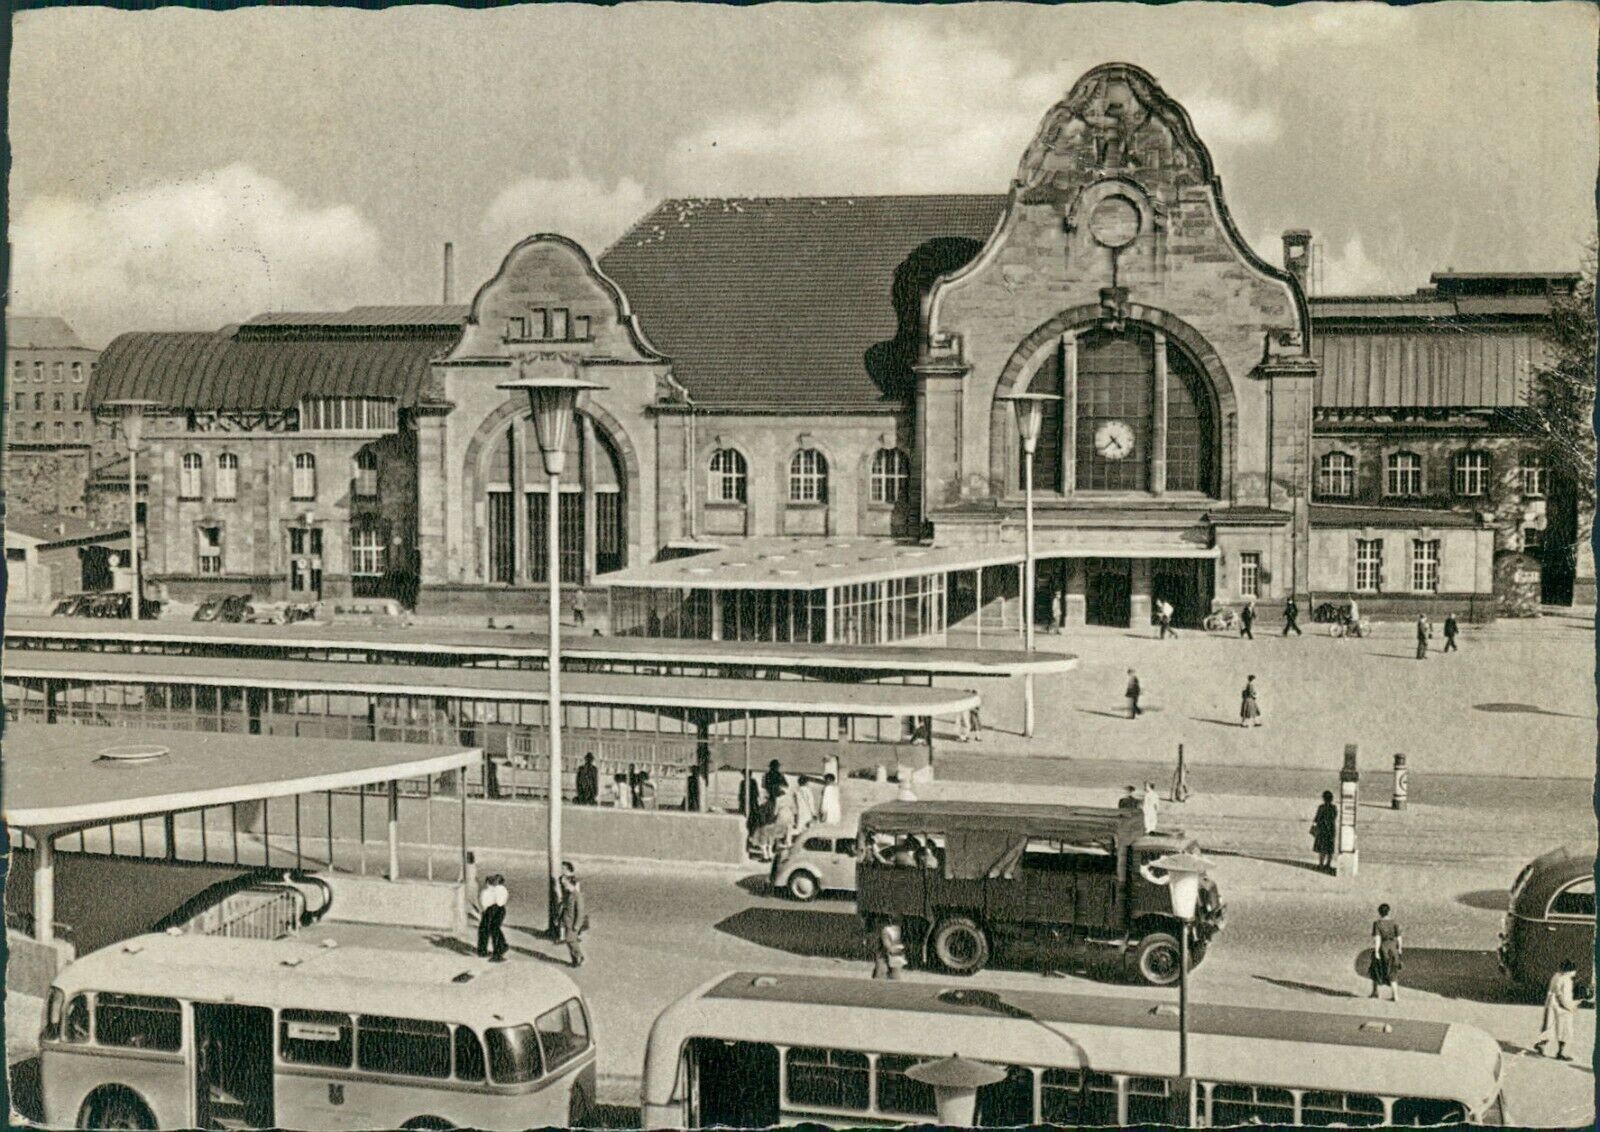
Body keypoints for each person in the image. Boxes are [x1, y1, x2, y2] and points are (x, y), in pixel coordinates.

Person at [1534, 960, 1580, 1061]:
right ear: (1569, 970)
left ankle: (1547, 1047)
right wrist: (1570, 1007)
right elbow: (1560, 995)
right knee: (1559, 1028)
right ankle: (1558, 1051)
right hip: (1558, 1006)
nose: (1574, 973)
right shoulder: (1562, 978)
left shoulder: (1558, 976)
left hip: (1556, 1006)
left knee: (1555, 1027)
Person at [556, 861, 588, 968]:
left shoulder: (577, 895)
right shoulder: (570, 894)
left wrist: (577, 925)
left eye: (566, 885)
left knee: (570, 940)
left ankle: (579, 956)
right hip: (568, 920)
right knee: (570, 941)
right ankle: (575, 960)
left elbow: (580, 911)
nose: (564, 886)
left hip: (573, 921)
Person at [1368, 903, 1403, 1001]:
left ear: (1379, 912)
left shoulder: (1377, 924)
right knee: (1392, 972)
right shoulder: (1395, 923)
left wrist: (1376, 952)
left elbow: (1377, 938)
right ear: (1389, 911)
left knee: (1375, 970)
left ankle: (1375, 992)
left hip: (1383, 948)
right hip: (1393, 949)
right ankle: (1395, 995)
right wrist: (1400, 949)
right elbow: (1399, 938)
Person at [476, 873, 508, 962]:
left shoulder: (498, 889)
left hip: (493, 909)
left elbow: (499, 902)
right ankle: (499, 947)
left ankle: (497, 950)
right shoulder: (495, 889)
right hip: (493, 909)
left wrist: (486, 909)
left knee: (490, 929)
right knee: (492, 929)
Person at [1311, 790, 1339, 872]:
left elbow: (1317, 818)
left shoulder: (1321, 807)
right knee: (1330, 848)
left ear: (1324, 798)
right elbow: (1334, 817)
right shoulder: (1334, 807)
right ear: (1331, 799)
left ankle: (1321, 865)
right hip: (1331, 829)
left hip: (1322, 829)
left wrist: (1315, 825)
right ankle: (1328, 864)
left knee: (1322, 848)